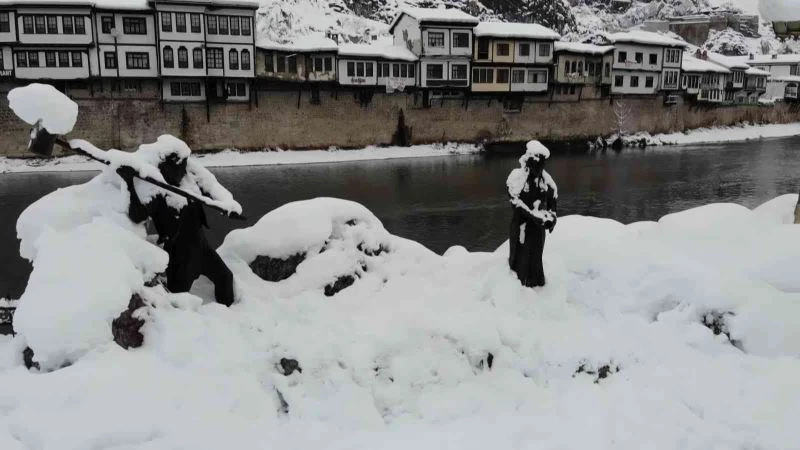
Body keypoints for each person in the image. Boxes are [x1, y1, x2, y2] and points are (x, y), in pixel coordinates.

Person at [116, 138, 236, 306]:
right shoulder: (156, 189)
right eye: (178, 167)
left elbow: (212, 188)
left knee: (225, 277)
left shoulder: (189, 179)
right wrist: (129, 182)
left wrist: (229, 206)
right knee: (178, 299)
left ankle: (228, 315)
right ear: (165, 167)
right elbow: (137, 215)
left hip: (202, 247)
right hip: (179, 255)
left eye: (184, 165)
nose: (182, 170)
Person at [506, 141, 558, 288]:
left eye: (541, 163)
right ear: (529, 160)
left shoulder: (548, 183)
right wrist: (532, 216)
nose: (538, 167)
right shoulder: (516, 178)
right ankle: (519, 289)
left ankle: (538, 288)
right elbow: (515, 202)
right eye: (535, 163)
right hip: (521, 227)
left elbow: (553, 206)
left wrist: (551, 220)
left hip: (537, 230)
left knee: (536, 260)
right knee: (520, 262)